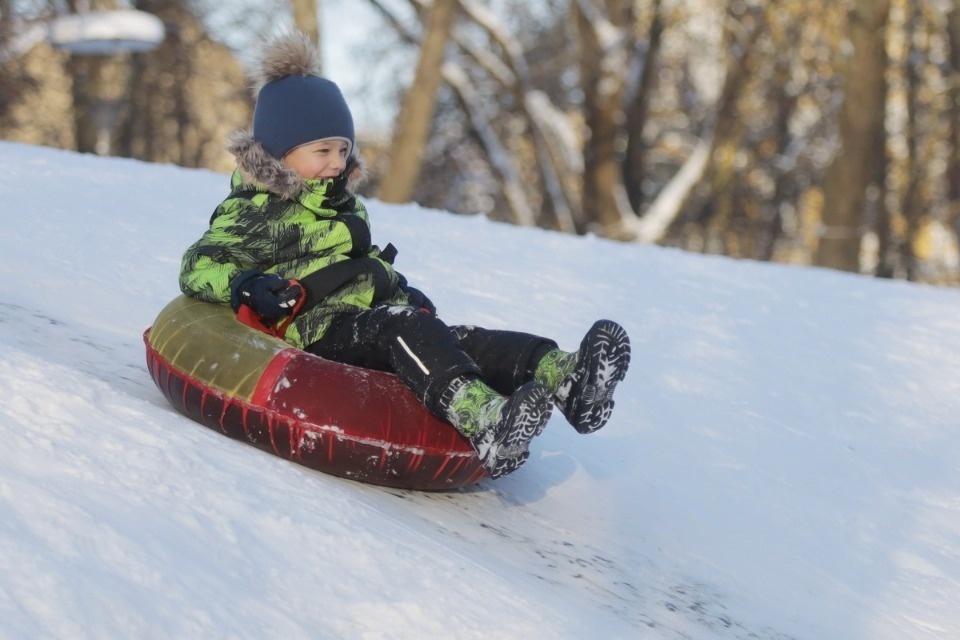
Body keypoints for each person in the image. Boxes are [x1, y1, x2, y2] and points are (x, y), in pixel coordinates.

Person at [179, 30, 630, 480]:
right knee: (401, 326)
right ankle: (481, 417)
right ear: (280, 153)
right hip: (316, 329)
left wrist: (402, 290)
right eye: (322, 151)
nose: (337, 162)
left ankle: (565, 377)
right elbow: (198, 264)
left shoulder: (342, 206)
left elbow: (360, 263)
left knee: (459, 337)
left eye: (342, 149)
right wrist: (246, 285)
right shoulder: (257, 210)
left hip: (367, 316)